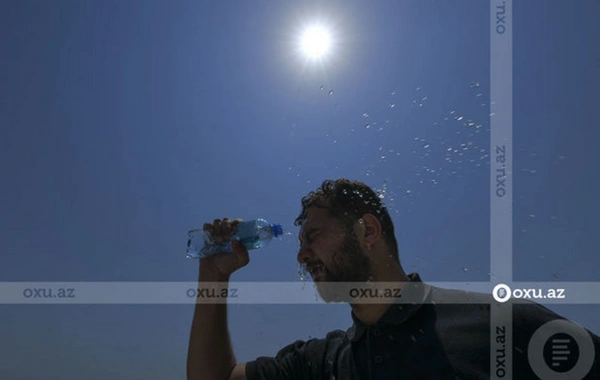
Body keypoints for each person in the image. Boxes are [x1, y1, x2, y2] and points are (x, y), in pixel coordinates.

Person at [187, 178, 600, 380]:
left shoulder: (503, 327)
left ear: (368, 231)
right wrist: (212, 275)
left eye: (313, 236)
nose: (301, 254)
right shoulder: (323, 362)